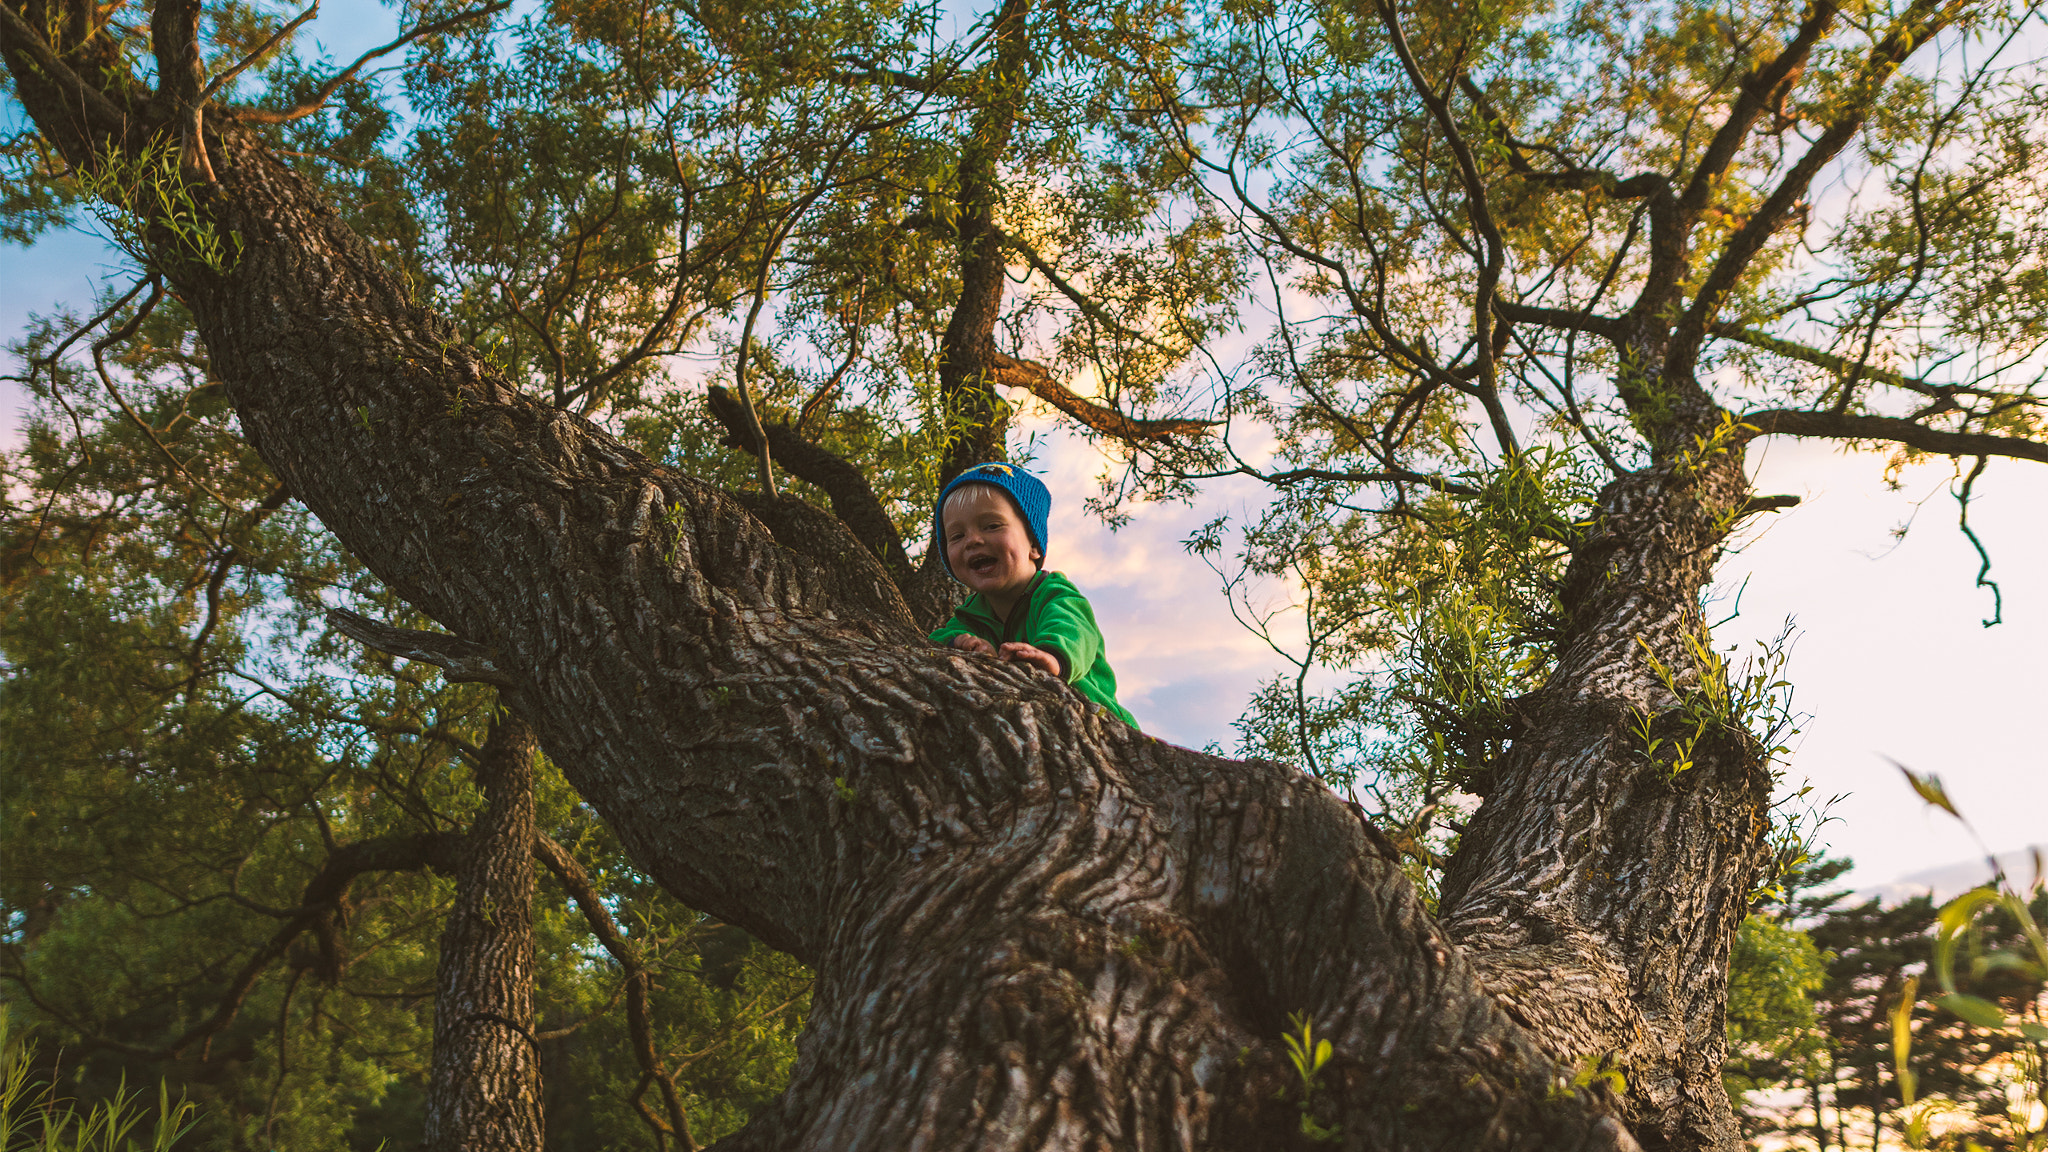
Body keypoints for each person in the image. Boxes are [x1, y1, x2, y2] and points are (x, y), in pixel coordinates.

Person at [929, 463, 1139, 729]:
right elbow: (933, 641)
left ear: (1034, 546)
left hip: (1100, 722)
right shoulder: (973, 614)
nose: (972, 540)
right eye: (957, 535)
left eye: (992, 526)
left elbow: (1074, 631)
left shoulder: (1054, 594)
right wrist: (959, 642)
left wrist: (1051, 656)